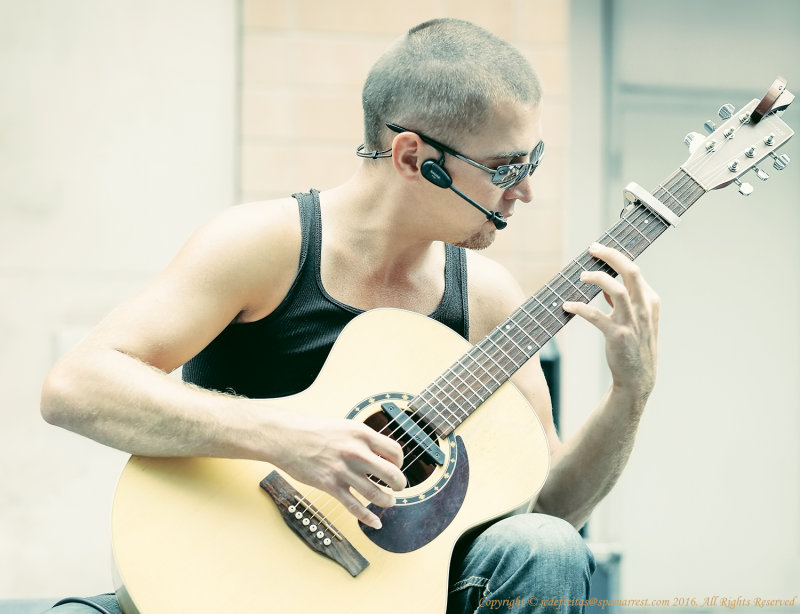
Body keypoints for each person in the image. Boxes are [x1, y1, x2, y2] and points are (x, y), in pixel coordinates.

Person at [40, 17, 659, 613]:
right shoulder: (264, 245)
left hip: (396, 597)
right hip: (220, 577)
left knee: (545, 547)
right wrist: (285, 437)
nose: (523, 192)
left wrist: (629, 393)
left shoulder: (488, 299)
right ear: (415, 157)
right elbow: (75, 385)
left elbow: (548, 509)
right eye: (506, 169)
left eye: (534, 162)